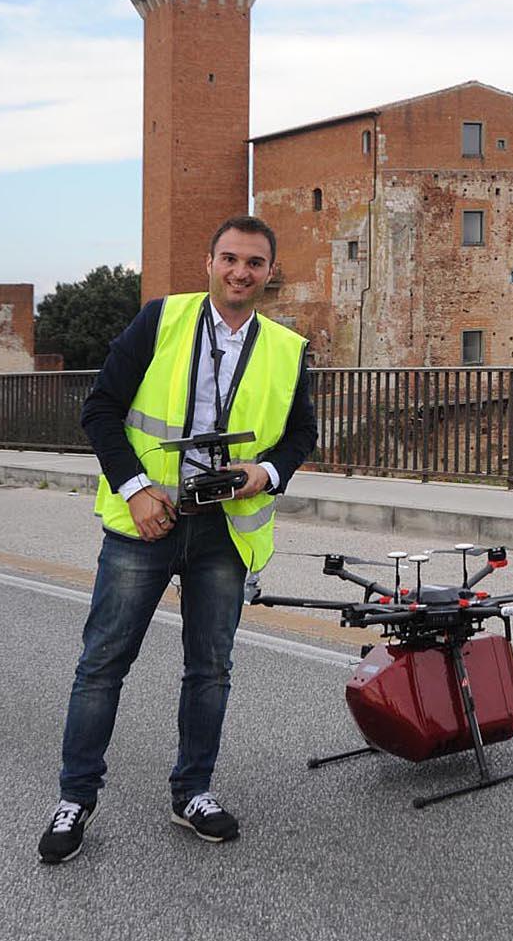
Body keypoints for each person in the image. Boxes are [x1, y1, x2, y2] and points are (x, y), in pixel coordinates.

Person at [38, 215, 316, 864]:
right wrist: (135, 488)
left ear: (269, 271)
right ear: (208, 261)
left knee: (210, 669)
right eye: (230, 258)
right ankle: (75, 796)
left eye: (254, 262)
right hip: (149, 521)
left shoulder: (286, 346)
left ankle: (193, 790)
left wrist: (266, 471)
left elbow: (302, 435)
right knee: (104, 663)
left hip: (225, 529)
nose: (240, 271)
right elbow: (100, 407)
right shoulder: (160, 321)